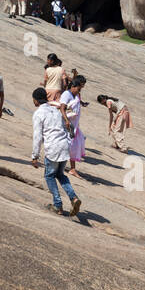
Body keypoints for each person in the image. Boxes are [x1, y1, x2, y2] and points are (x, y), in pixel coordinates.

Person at [31, 88, 82, 217]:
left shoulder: (38, 113)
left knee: (49, 176)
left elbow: (37, 136)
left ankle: (58, 205)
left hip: (53, 148)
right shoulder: (55, 110)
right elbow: (65, 127)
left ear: (36, 100)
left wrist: (35, 156)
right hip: (64, 146)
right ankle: (73, 198)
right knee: (60, 174)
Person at [59, 74, 87, 172]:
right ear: (73, 86)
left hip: (74, 124)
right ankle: (60, 164)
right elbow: (62, 108)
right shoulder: (67, 94)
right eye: (79, 89)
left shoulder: (75, 95)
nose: (79, 91)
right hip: (67, 124)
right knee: (67, 145)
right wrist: (66, 121)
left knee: (74, 145)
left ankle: (72, 169)